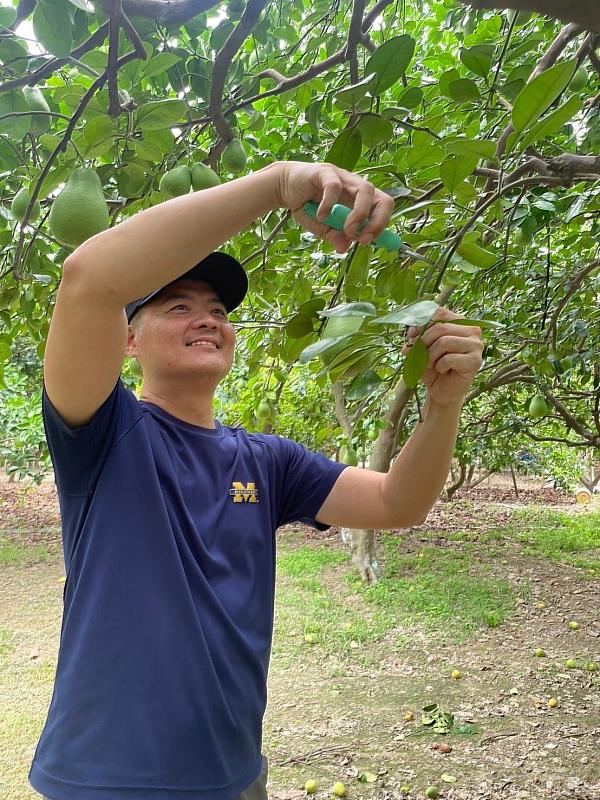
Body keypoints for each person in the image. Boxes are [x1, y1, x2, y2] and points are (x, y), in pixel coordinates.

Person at [29, 160, 483, 800]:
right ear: (127, 339)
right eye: (178, 305)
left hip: (234, 775)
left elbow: (396, 501)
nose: (208, 317)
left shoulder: (267, 460)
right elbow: (88, 278)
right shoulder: (102, 434)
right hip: (107, 778)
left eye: (217, 308)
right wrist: (278, 185)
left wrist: (443, 406)